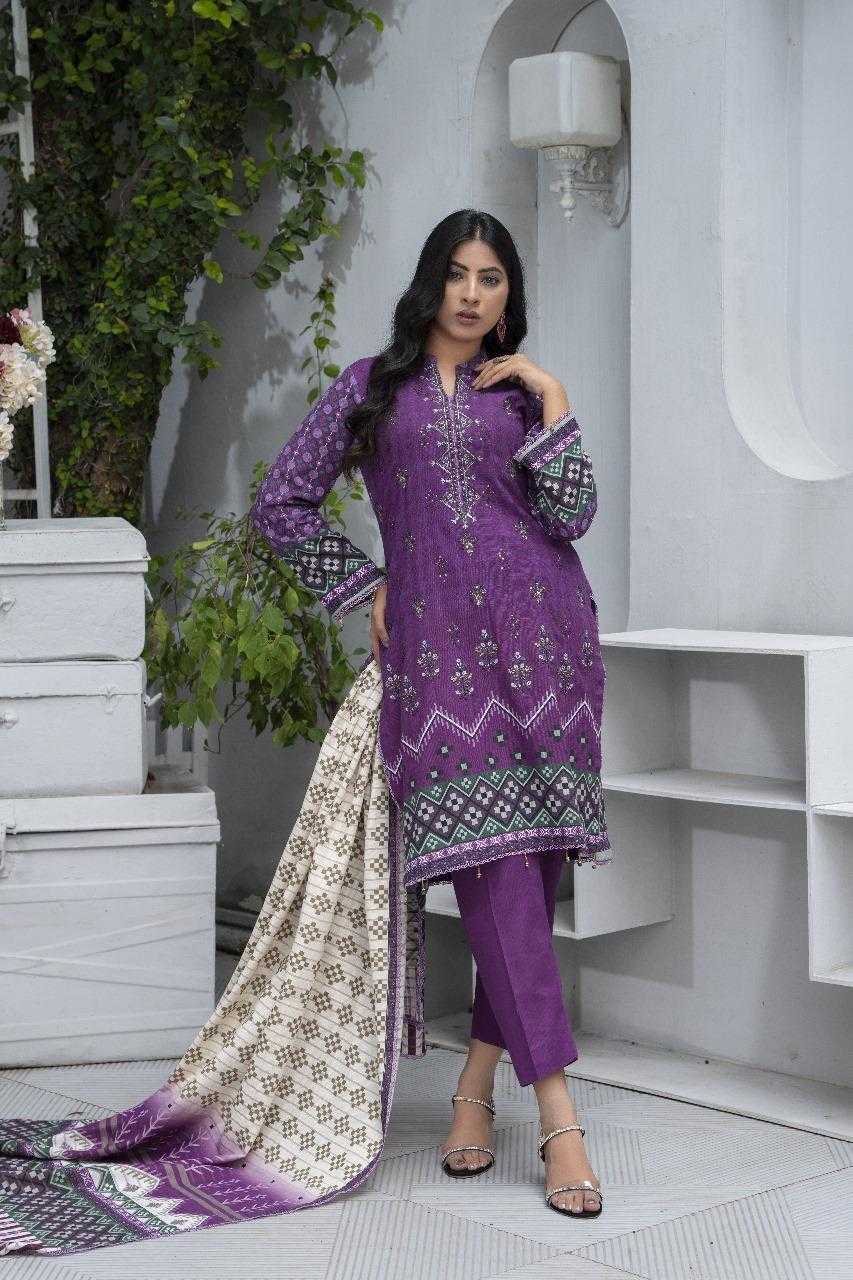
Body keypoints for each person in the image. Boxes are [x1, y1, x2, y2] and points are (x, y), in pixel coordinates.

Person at [249, 208, 610, 1218]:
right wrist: (363, 583)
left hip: (550, 651)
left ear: (507, 294)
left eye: (490, 276)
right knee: (494, 875)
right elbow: (281, 499)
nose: (470, 292)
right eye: (455, 273)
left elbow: (573, 515)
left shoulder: (521, 398)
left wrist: (555, 395)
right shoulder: (369, 387)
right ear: (428, 283)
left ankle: (471, 1093)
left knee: (527, 878)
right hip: (440, 666)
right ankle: (559, 1114)